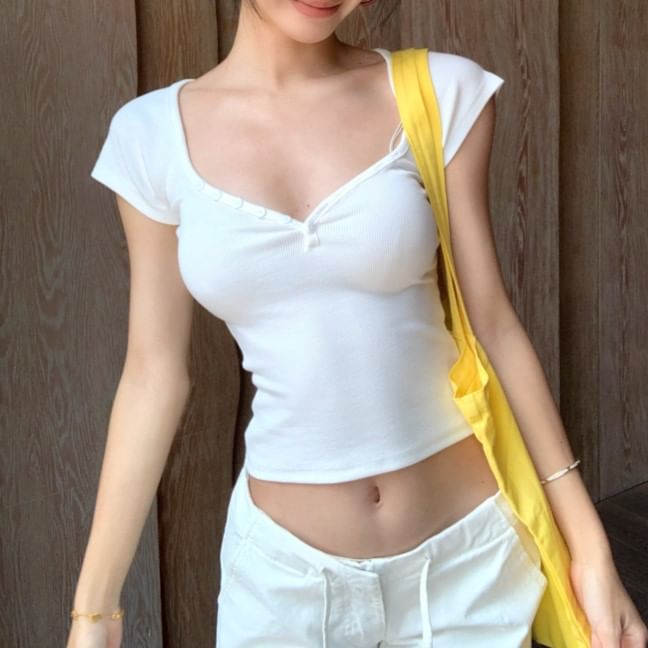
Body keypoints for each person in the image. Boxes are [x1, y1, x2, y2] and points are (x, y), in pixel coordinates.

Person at [68, 1, 648, 647]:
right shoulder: (150, 136)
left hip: (469, 568)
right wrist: (94, 612)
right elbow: (153, 376)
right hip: (284, 587)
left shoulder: (440, 93)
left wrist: (590, 551)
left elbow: (495, 326)